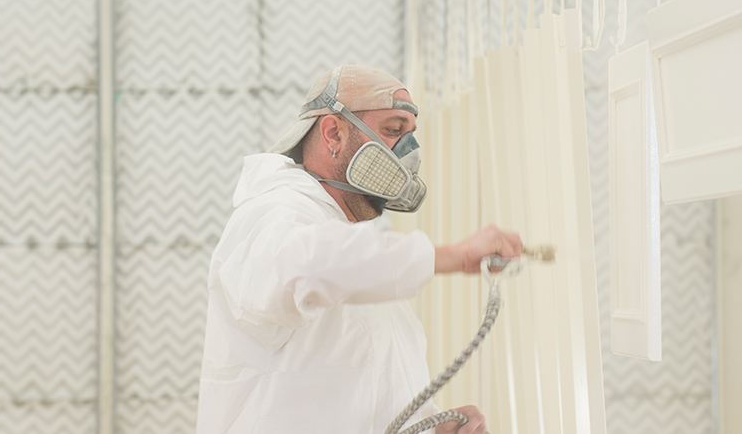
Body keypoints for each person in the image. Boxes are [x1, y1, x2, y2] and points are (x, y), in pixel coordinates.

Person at [196, 64, 522, 434]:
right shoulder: (273, 213)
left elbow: (364, 396)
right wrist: (454, 256)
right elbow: (308, 266)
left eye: (410, 136)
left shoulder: (349, 248)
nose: (407, 152)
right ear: (333, 132)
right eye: (393, 131)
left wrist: (431, 427)